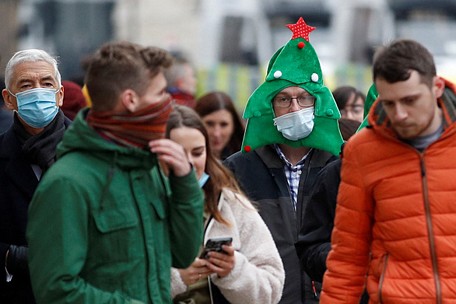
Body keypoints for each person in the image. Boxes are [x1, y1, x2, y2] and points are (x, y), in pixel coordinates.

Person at [26, 41, 205, 303]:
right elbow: (56, 289)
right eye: (159, 94)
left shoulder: (148, 165)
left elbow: (182, 254)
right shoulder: (67, 182)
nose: (168, 103)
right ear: (130, 100)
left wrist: (184, 184)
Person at [320, 39, 456, 303]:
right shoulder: (363, 151)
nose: (400, 114)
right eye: (389, 103)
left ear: (437, 87)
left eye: (410, 100)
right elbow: (348, 255)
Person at [224, 17, 344, 304]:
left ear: (318, 104)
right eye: (284, 99)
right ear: (270, 106)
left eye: (303, 99)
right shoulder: (238, 169)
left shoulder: (341, 167)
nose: (295, 107)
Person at [167, 105, 284, 303]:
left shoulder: (231, 204)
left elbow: (271, 290)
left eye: (197, 153)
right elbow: (117, 285)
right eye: (178, 154)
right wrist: (174, 279)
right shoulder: (138, 203)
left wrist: (234, 270)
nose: (188, 162)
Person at [0, 49, 71, 304]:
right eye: (26, 85)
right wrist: (13, 257)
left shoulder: (94, 154)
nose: (38, 91)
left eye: (47, 83)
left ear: (60, 95)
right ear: (9, 99)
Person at [194, 91, 245, 160]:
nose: (216, 134)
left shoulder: (245, 161)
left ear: (234, 126)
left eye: (224, 125)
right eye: (210, 124)